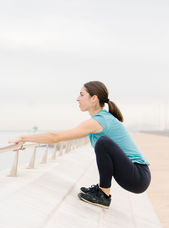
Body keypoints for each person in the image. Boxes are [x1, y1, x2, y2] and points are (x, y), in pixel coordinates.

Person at [11, 81, 151, 209]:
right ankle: (101, 190)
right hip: (134, 175)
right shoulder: (101, 119)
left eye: (82, 95)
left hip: (138, 176)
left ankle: (103, 195)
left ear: (94, 98)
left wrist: (25, 137)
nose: (77, 98)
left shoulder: (99, 121)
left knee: (103, 142)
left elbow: (56, 137)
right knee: (103, 143)